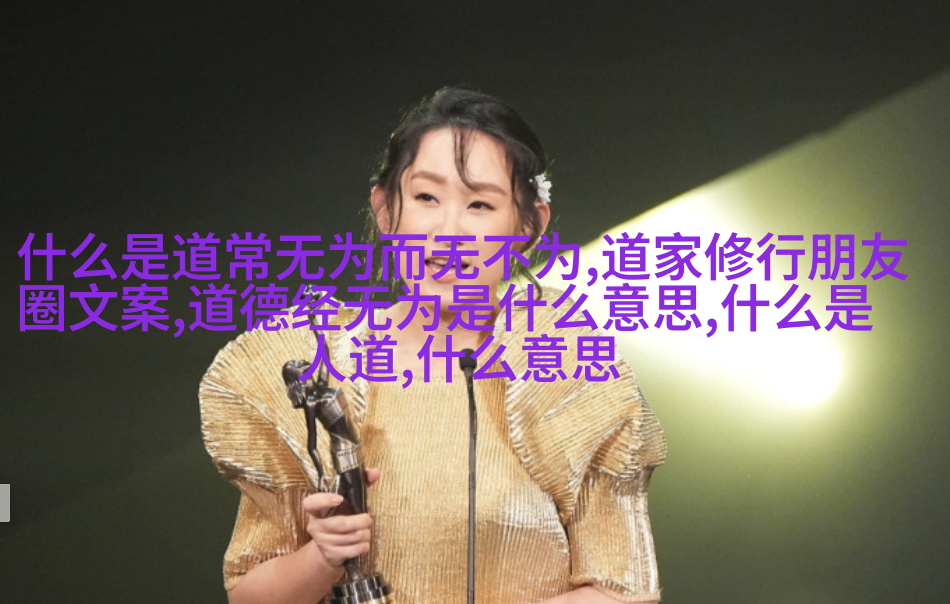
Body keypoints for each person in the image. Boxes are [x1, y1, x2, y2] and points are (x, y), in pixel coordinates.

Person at [199, 87, 667, 604]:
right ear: (386, 211)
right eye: (426, 197)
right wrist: (322, 557)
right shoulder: (318, 368)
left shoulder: (569, 371)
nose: (448, 231)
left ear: (529, 226)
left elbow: (622, 590)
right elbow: (247, 593)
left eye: (480, 204)